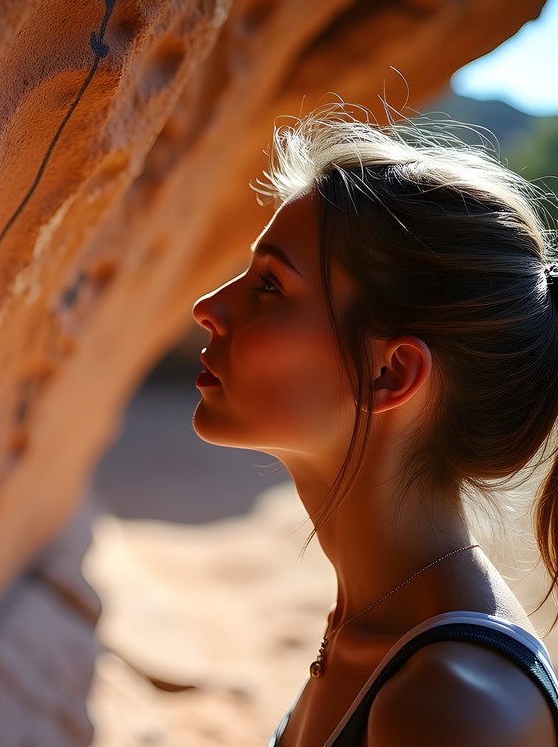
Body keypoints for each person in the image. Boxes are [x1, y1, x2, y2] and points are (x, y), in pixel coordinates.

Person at [191, 104, 558, 747]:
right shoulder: (373, 626)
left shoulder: (453, 707)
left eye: (271, 286)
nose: (209, 307)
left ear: (390, 373)